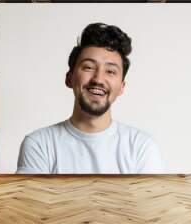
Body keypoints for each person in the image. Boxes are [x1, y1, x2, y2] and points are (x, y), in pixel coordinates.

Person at [16, 22, 163, 174]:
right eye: (88, 67)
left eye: (110, 71)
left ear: (121, 87)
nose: (98, 79)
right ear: (69, 78)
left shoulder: (142, 147)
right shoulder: (39, 144)